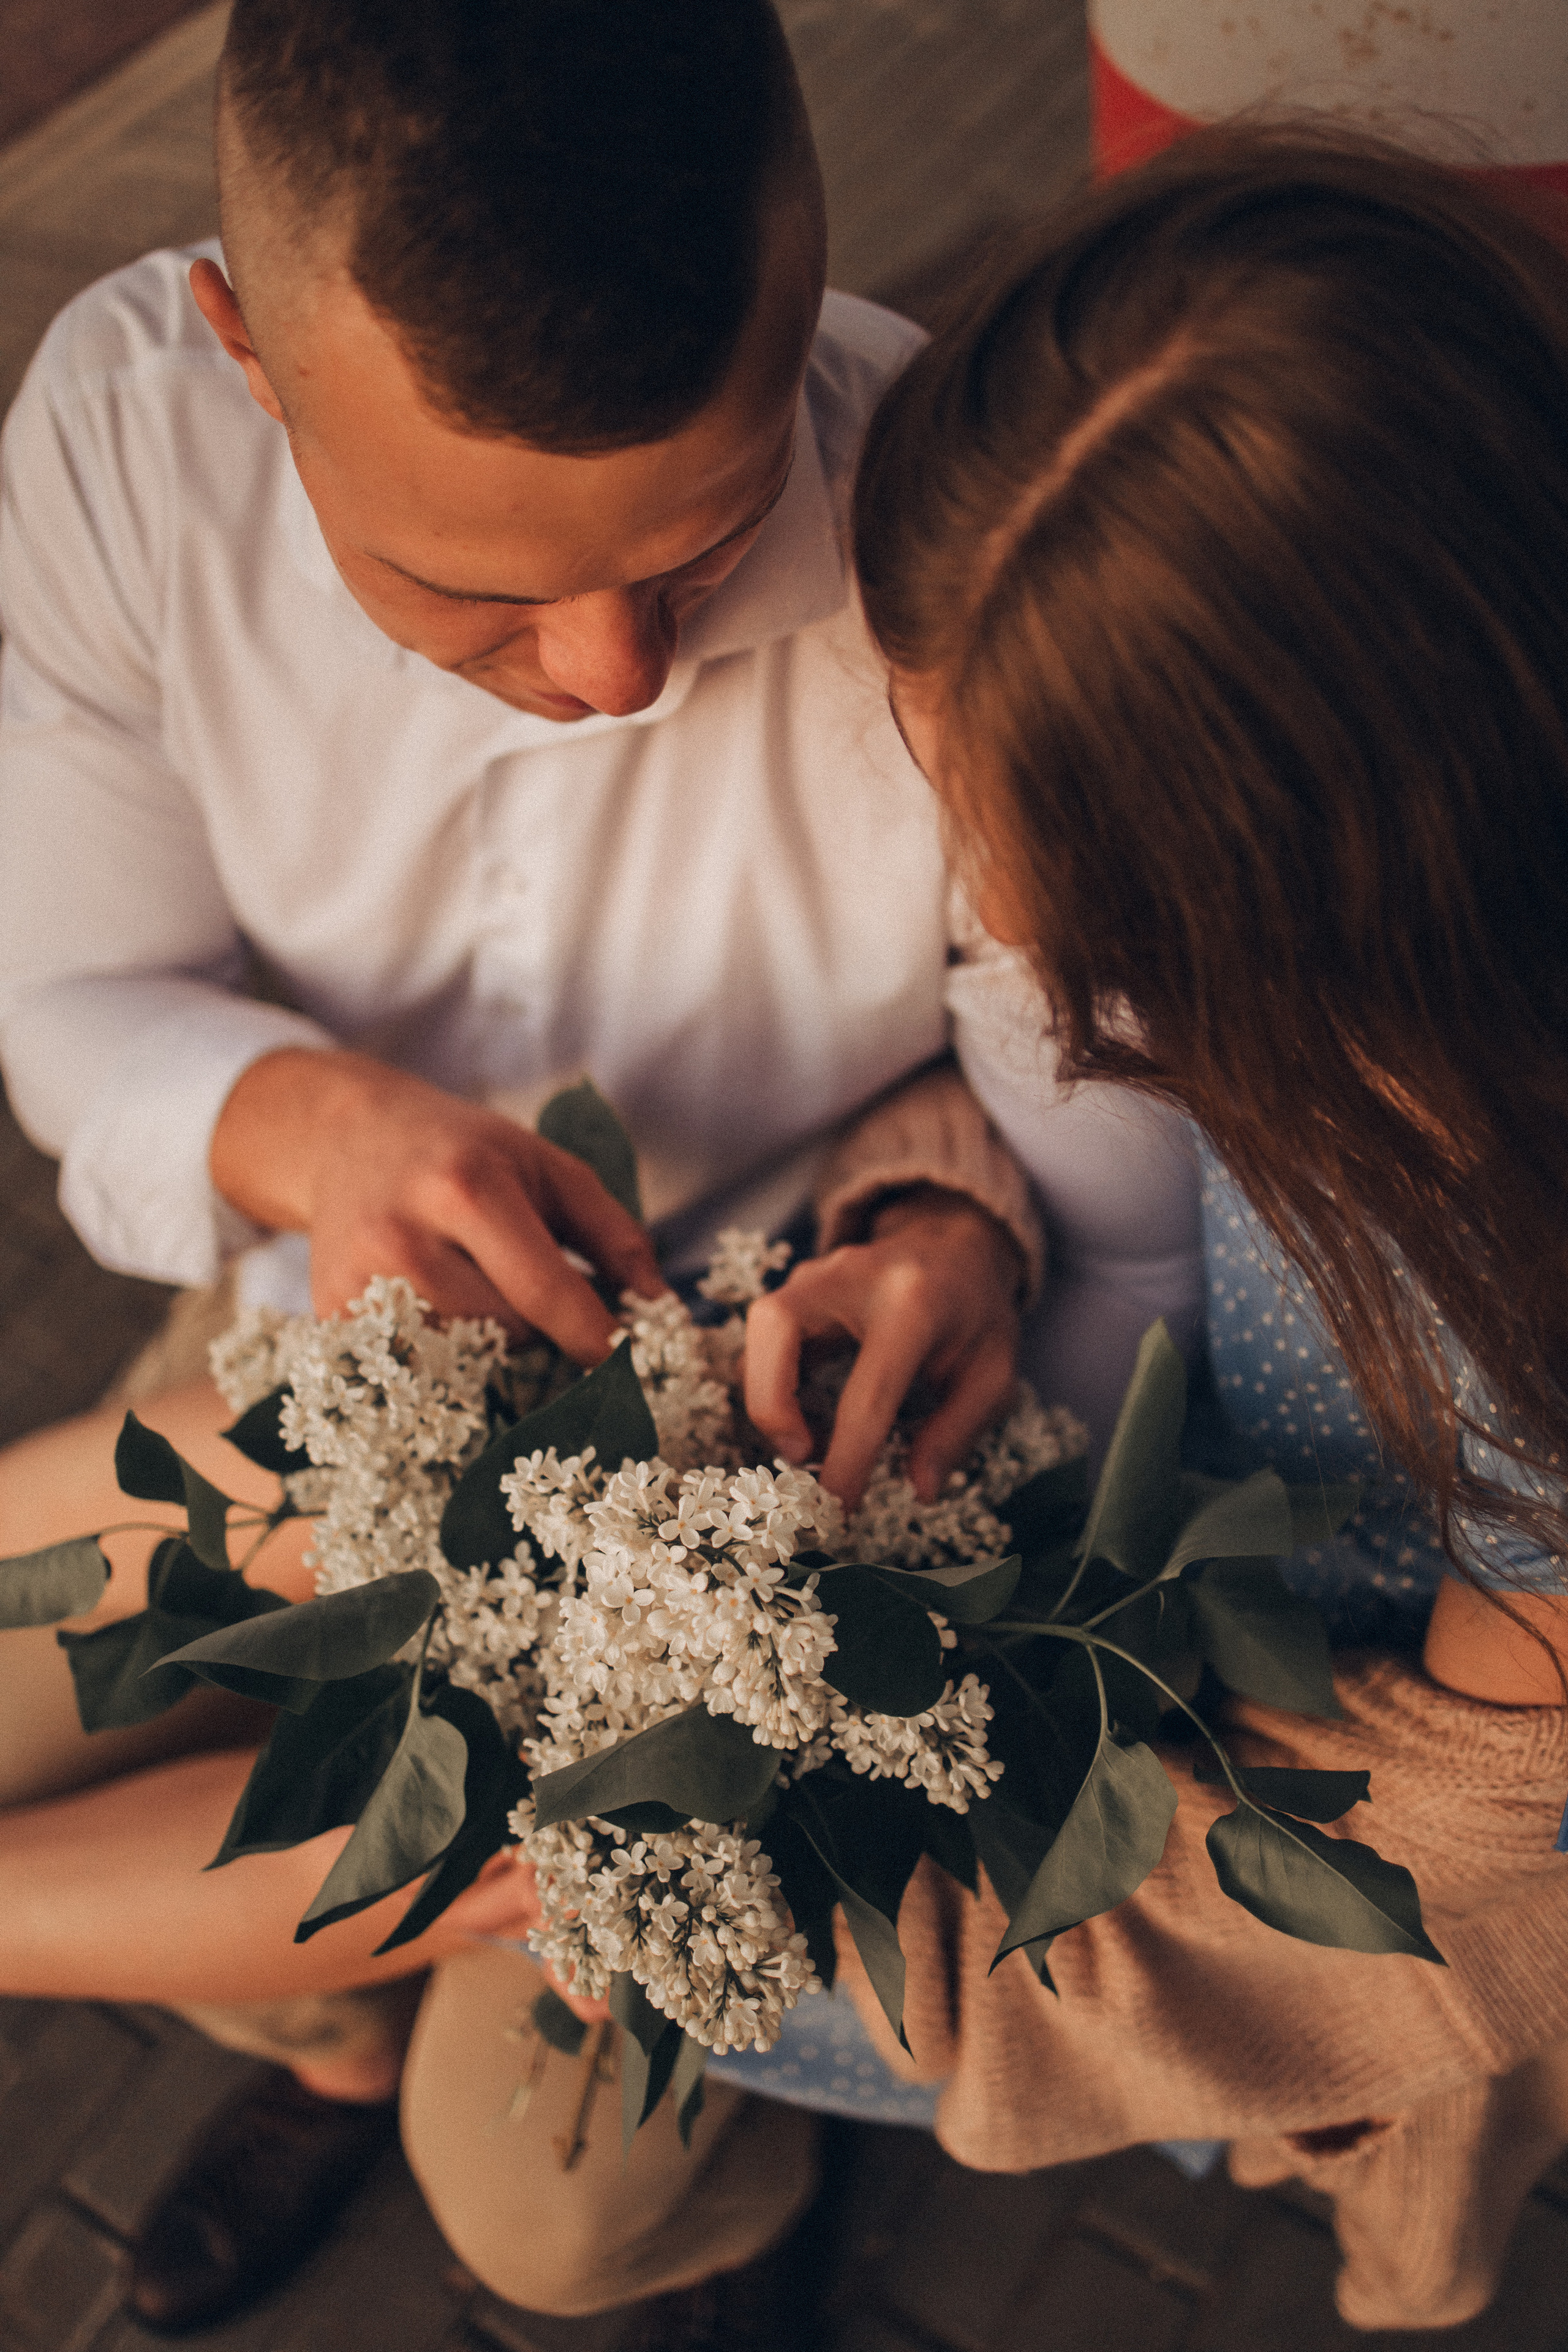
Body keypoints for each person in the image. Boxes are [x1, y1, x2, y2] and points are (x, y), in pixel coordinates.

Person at [0, 0, 1203, 2334]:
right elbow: (68, 1005)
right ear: (250, 351)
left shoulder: (979, 540)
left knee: (547, 2217)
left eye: (707, 532)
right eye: (471, 593)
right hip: (314, 1337)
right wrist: (311, 1121)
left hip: (777, 1467)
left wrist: (957, 1241)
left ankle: (697, 2202)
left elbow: (1127, 1212)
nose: (620, 667)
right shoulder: (123, 442)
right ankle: (322, 2026)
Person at [837, 125, 1568, 2331]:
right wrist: (942, 1222)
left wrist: (899, 1932)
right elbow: (1095, 1133)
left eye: (1063, 885)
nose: (1018, 944)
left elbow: (1462, 1854)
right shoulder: (1418, 960)